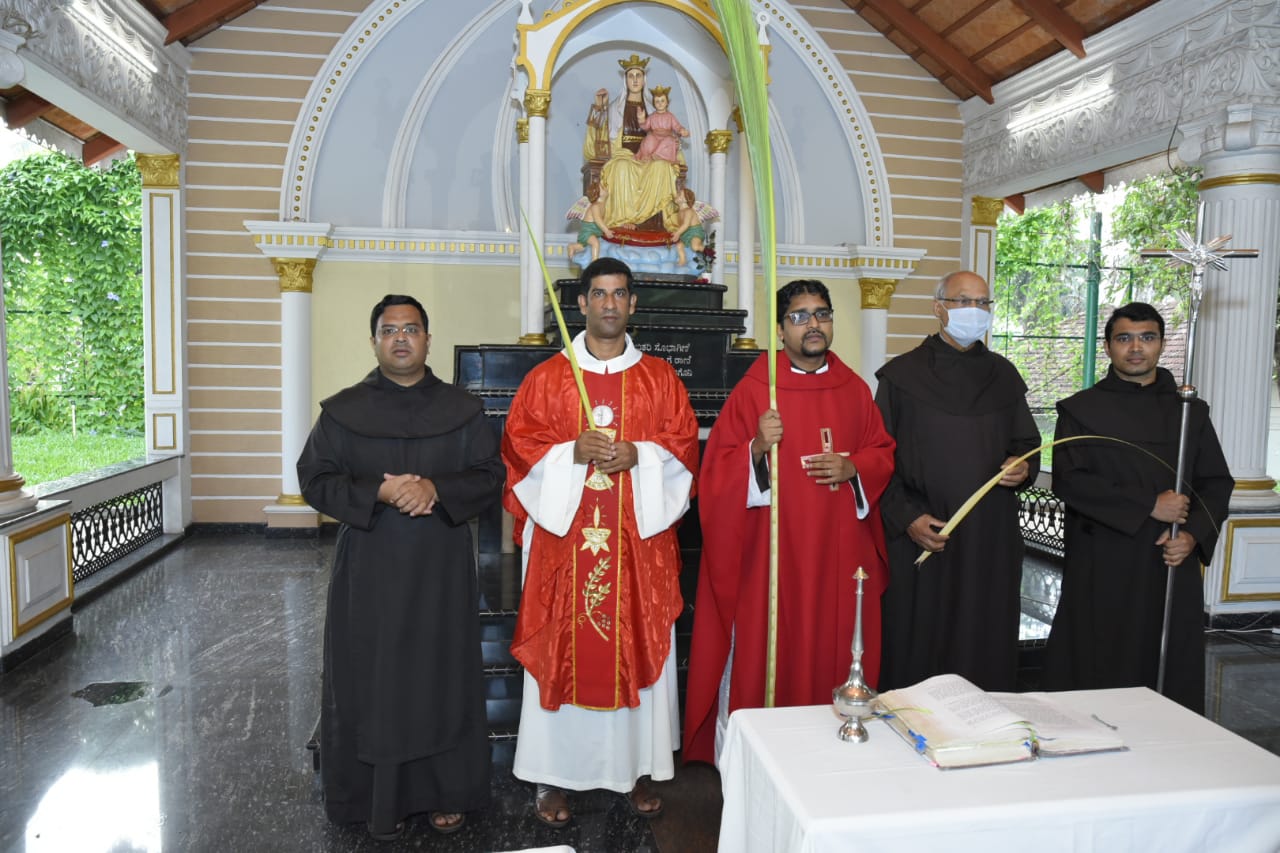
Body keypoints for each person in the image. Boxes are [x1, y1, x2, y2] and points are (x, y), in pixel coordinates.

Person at [297, 294, 505, 840]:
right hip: (370, 568)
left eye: (411, 329)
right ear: (374, 342)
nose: (401, 338)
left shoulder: (463, 410)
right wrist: (379, 491)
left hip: (441, 568)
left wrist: (436, 488)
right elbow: (315, 480)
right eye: (389, 330)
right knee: (376, 680)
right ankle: (376, 797)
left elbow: (490, 475)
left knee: (441, 676)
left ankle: (446, 791)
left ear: (428, 340)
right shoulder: (342, 412)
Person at [501, 257, 699, 825]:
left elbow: (684, 449)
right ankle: (552, 776)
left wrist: (642, 455)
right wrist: (569, 454)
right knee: (560, 649)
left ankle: (634, 770)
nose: (609, 304)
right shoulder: (547, 379)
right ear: (582, 303)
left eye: (619, 294)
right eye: (599, 294)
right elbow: (517, 449)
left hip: (637, 550)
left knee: (638, 641)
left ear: (632, 304)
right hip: (564, 553)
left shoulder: (660, 379)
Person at [684, 279, 896, 765]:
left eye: (821, 314)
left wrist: (853, 467)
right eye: (799, 317)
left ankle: (832, 752)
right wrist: (757, 448)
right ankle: (761, 759)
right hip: (771, 559)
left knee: (832, 648)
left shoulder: (855, 390)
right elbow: (714, 474)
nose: (813, 324)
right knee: (770, 651)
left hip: (838, 559)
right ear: (780, 330)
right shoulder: (757, 390)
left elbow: (882, 452)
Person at [1043, 301, 1232, 713]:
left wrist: (1193, 535)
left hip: (1169, 556)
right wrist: (1149, 504)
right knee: (1099, 658)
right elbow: (1070, 480)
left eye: (1147, 337)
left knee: (1167, 663)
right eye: (1124, 338)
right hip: (1103, 558)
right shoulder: (1080, 409)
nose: (1136, 348)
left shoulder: (1191, 411)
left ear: (1161, 344)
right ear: (1108, 346)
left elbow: (1216, 482)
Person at [874, 270, 1041, 692]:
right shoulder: (901, 377)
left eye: (983, 303)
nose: (975, 311)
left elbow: (1026, 444)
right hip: (923, 534)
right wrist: (908, 518)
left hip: (989, 539)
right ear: (938, 308)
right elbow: (878, 459)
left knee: (982, 640)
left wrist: (1022, 466)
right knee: (919, 644)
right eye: (964, 301)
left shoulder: (1004, 375)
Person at [585, 54, 681, 230]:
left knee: (663, 168)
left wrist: (674, 146)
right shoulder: (614, 108)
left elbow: (668, 134)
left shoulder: (654, 110)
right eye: (631, 76)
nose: (635, 80)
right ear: (625, 80)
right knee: (621, 168)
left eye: (638, 76)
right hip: (623, 154)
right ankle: (622, 219)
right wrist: (600, 107)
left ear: (644, 80)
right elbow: (599, 136)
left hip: (648, 157)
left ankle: (655, 223)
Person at [635, 86, 689, 165]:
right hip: (654, 137)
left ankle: (658, 155)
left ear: (667, 102)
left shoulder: (670, 116)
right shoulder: (652, 116)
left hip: (666, 137)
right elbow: (645, 127)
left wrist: (682, 130)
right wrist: (641, 120)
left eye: (662, 101)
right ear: (654, 104)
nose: (660, 103)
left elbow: (677, 126)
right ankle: (646, 156)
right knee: (648, 139)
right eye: (657, 101)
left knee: (670, 141)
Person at [568, 183, 614, 261]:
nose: (606, 189)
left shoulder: (602, 205)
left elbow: (602, 220)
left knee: (584, 247)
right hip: (588, 231)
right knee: (595, 243)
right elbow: (598, 220)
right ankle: (594, 263)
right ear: (598, 193)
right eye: (603, 188)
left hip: (596, 231)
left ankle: (573, 246)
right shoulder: (595, 206)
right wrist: (606, 231)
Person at [670, 188, 705, 267]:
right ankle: (683, 260)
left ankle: (706, 250)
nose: (676, 195)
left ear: (685, 199)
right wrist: (678, 233)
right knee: (679, 246)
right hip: (685, 234)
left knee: (695, 247)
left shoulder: (689, 211)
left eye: (679, 195)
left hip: (695, 232)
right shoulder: (679, 212)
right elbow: (681, 225)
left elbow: (686, 224)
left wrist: (677, 233)